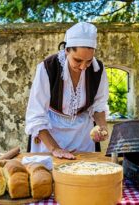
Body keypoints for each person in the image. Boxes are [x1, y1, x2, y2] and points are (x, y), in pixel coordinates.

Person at [25, 22, 109, 159]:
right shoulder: (48, 67)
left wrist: (102, 126)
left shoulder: (97, 69)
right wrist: (55, 148)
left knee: (84, 174)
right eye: (77, 60)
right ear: (67, 50)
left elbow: (99, 105)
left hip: (82, 134)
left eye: (88, 61)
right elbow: (36, 114)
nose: (83, 67)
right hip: (51, 132)